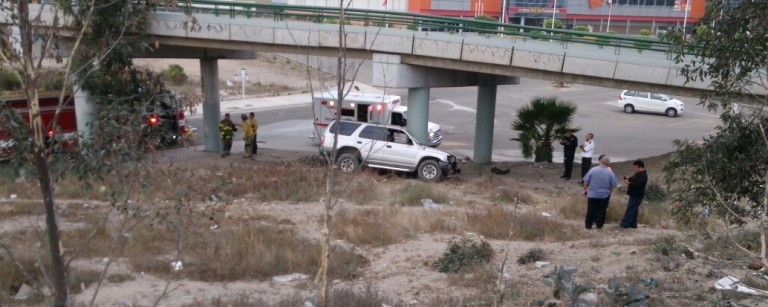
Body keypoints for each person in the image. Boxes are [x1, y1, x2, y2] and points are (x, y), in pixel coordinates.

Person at [582, 155, 617, 229]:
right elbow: (613, 185)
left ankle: (588, 225)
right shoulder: (610, 172)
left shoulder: (593, 170)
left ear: (600, 161)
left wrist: (585, 190)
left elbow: (586, 181)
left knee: (590, 210)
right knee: (602, 211)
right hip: (604, 195)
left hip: (592, 194)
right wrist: (609, 192)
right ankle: (599, 225)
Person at [620, 159, 648, 229]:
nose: (634, 169)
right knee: (634, 210)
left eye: (635, 167)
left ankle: (624, 224)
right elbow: (632, 179)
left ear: (640, 167)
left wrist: (628, 183)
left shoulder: (643, 175)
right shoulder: (638, 174)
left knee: (631, 209)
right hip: (633, 195)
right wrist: (627, 179)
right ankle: (633, 225)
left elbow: (637, 185)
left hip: (637, 196)